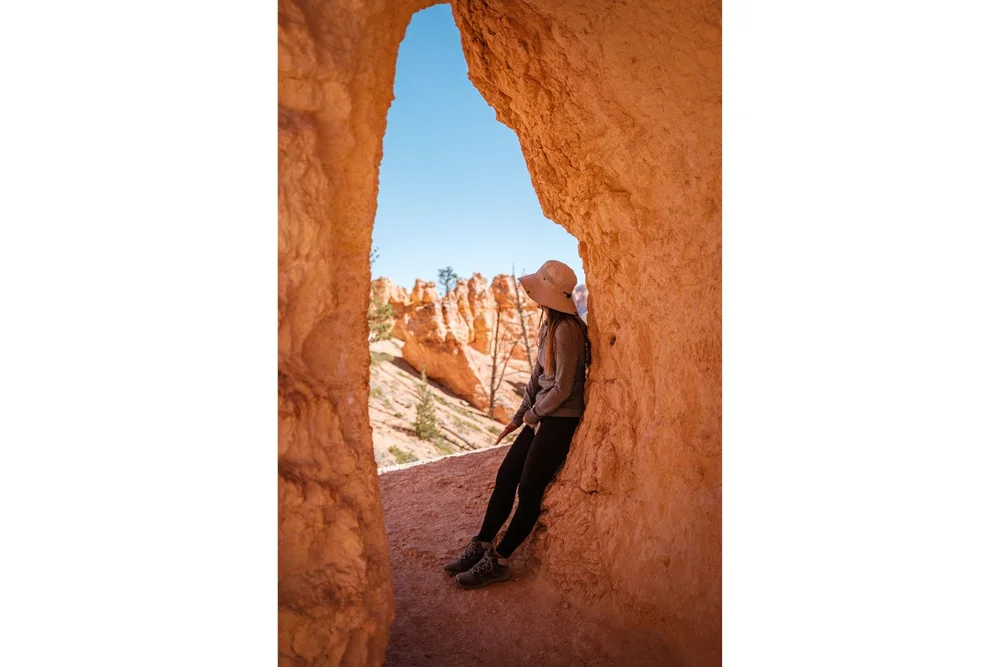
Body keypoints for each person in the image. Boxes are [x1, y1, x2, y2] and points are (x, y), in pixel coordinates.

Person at [444, 260, 590, 589]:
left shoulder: (567, 330)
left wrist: (534, 416)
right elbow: (539, 377)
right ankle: (481, 543)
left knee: (528, 490)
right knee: (506, 476)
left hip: (560, 419)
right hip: (542, 413)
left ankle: (500, 560)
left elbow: (564, 387)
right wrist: (520, 416)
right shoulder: (548, 326)